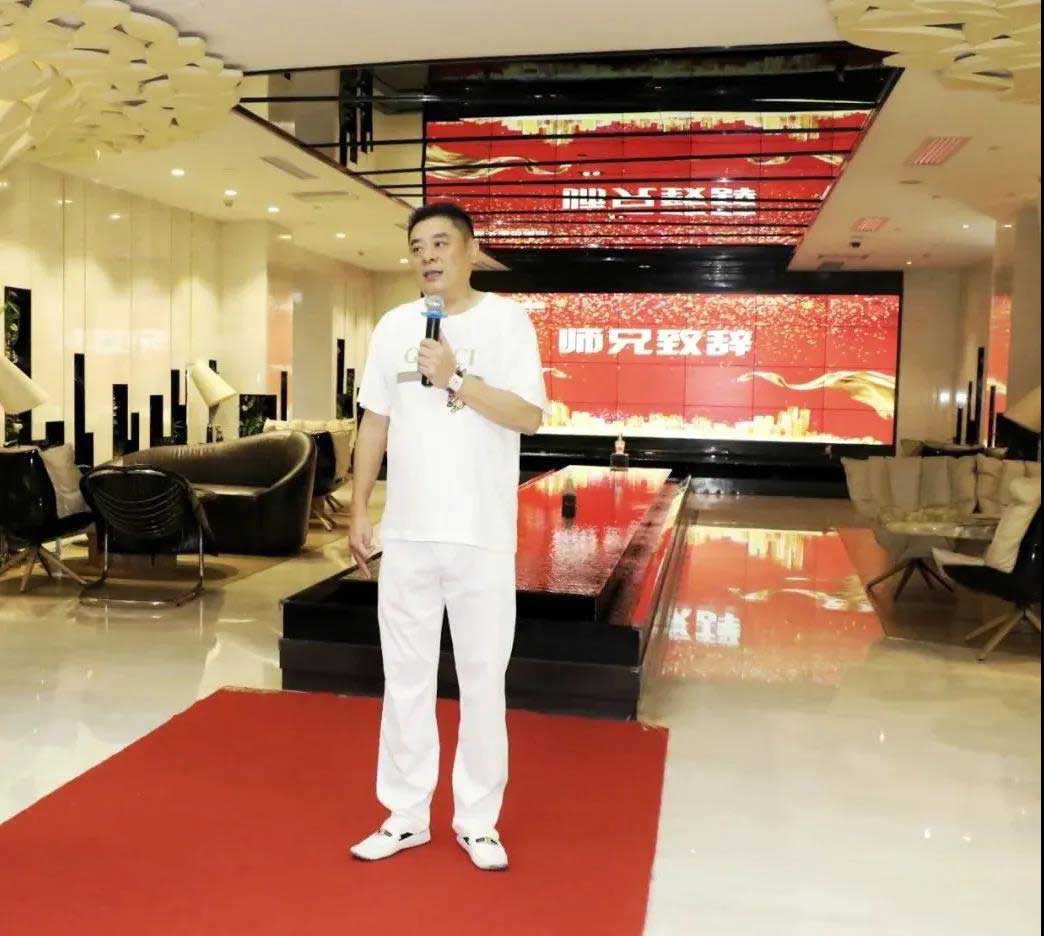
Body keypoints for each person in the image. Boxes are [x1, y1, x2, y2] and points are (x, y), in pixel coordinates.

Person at [348, 202, 546, 871]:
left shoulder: (507, 322)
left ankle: (478, 821)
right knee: (404, 679)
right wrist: (358, 509)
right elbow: (374, 421)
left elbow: (528, 416)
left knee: (482, 681)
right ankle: (405, 815)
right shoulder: (393, 326)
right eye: (417, 246)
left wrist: (456, 376)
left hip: (480, 536)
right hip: (408, 534)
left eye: (439, 243)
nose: (427, 256)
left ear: (470, 250)